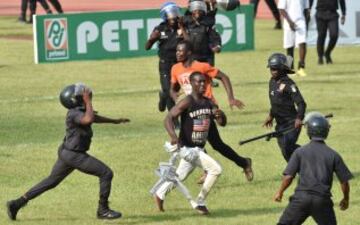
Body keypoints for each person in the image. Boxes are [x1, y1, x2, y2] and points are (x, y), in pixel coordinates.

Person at [6, 83, 130, 220]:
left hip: (67, 153)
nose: (86, 96)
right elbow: (88, 119)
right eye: (82, 96)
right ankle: (103, 210)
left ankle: (16, 203)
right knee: (106, 173)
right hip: (75, 155)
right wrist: (88, 101)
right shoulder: (74, 113)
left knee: (51, 181)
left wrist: (115, 121)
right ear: (75, 100)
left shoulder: (79, 111)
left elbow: (92, 118)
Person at [170, 40, 253, 182]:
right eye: (176, 50)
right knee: (202, 141)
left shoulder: (202, 66)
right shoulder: (175, 68)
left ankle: (239, 164)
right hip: (189, 108)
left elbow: (223, 77)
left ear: (189, 52)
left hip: (206, 107)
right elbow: (173, 88)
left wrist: (231, 98)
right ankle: (241, 163)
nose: (177, 53)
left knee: (205, 142)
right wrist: (175, 97)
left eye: (180, 50)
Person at [153, 72, 225, 215]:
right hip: (187, 149)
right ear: (191, 84)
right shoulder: (187, 101)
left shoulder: (209, 102)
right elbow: (168, 119)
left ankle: (159, 193)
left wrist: (220, 116)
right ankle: (200, 202)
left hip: (199, 148)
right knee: (216, 169)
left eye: (204, 82)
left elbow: (222, 123)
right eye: (198, 82)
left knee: (180, 176)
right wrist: (173, 136)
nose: (202, 84)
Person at [274, 112, 353, 225]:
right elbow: (344, 181)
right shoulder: (333, 155)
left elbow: (289, 176)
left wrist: (280, 192)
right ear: (326, 131)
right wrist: (346, 199)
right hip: (322, 201)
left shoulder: (299, 152)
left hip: (300, 199)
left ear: (308, 131)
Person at [263, 53, 306, 162]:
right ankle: (300, 169)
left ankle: (308, 154)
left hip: (292, 123)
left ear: (282, 69)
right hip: (280, 125)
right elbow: (275, 103)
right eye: (271, 69)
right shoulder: (272, 82)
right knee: (285, 152)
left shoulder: (290, 84)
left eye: (275, 69)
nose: (272, 71)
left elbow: (301, 103)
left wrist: (299, 118)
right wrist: (271, 115)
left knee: (288, 147)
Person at [145, 2, 187, 113]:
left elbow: (189, 43)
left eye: (175, 12)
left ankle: (163, 96)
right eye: (170, 13)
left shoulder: (183, 27)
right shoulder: (160, 28)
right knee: (169, 91)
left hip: (179, 64)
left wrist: (182, 28)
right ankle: (174, 120)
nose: (173, 16)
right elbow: (147, 47)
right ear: (165, 15)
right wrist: (151, 39)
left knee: (175, 91)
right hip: (165, 64)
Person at [184, 0, 222, 87]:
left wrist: (217, 46)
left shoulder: (209, 21)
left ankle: (209, 79)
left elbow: (214, 35)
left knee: (208, 68)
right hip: (193, 52)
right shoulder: (186, 20)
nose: (197, 11)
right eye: (195, 9)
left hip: (206, 52)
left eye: (199, 9)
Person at [278, 0, 310, 77]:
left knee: (303, 43)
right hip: (288, 22)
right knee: (289, 47)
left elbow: (306, 9)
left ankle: (301, 68)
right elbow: (281, 9)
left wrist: (306, 22)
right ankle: (290, 68)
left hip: (301, 21)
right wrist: (290, 22)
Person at [310, 0, 346, 64]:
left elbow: (342, 1)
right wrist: (309, 8)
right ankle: (320, 57)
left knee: (334, 35)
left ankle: (327, 53)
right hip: (320, 12)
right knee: (321, 36)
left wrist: (343, 13)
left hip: (333, 13)